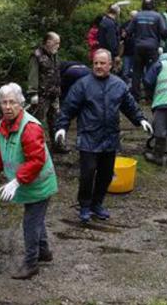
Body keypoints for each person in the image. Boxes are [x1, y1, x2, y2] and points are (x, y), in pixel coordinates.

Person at [54, 49, 152, 222]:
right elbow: (69, 108)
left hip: (110, 137)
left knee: (106, 174)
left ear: (110, 65)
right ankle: (84, 205)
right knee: (88, 173)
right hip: (88, 137)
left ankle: (97, 204)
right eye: (95, 63)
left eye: (102, 63)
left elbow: (129, 105)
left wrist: (140, 120)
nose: (98, 66)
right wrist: (61, 127)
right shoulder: (82, 84)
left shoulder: (119, 84)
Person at [0, 83, 57, 280]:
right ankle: (44, 252)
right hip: (26, 184)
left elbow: (36, 160)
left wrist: (16, 181)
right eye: (4, 102)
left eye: (12, 102)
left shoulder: (29, 128)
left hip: (39, 184)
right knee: (36, 220)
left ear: (21, 103)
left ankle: (31, 264)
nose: (8, 106)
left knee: (30, 223)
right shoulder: (3, 125)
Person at [123, 0, 166, 101]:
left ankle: (135, 96)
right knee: (151, 71)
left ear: (143, 5)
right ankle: (149, 96)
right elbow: (163, 32)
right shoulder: (158, 16)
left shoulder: (137, 16)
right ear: (153, 5)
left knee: (137, 72)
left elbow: (128, 31)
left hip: (138, 47)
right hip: (152, 47)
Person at [27, 32, 62, 143]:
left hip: (54, 93)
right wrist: (33, 93)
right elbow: (33, 74)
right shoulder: (36, 55)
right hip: (42, 96)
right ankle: (36, 146)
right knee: (38, 122)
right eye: (56, 43)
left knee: (56, 121)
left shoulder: (54, 54)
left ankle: (58, 144)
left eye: (59, 43)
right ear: (48, 42)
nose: (58, 46)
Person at [98, 4, 121, 70]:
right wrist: (116, 54)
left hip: (102, 50)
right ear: (117, 12)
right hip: (108, 53)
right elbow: (111, 40)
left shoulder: (104, 21)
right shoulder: (110, 24)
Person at [121, 9, 138, 90]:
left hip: (137, 52)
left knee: (136, 72)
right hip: (127, 52)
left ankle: (134, 89)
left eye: (135, 16)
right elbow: (121, 37)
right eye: (132, 16)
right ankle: (125, 89)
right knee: (125, 72)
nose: (134, 18)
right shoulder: (125, 25)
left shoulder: (140, 25)